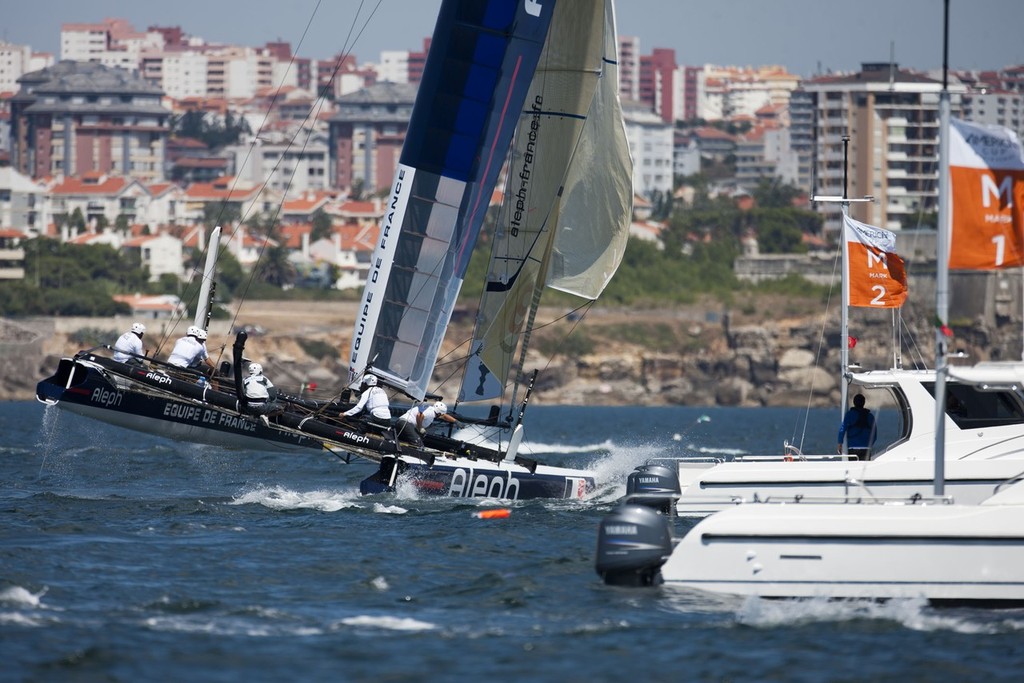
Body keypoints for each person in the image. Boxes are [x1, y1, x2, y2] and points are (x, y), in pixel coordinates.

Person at [837, 393, 876, 461]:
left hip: (853, 449)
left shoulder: (849, 415)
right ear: (864, 402)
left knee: (854, 469)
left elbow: (842, 430)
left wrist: (840, 443)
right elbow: (875, 434)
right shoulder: (870, 416)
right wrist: (869, 444)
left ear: (854, 402)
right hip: (866, 449)